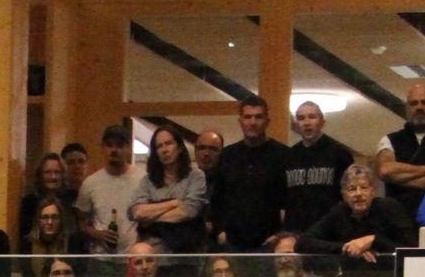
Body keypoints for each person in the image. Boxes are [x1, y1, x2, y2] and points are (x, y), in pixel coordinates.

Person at [207, 96, 292, 256]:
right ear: (240, 121)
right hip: (232, 242)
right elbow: (218, 199)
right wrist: (220, 231)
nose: (253, 122)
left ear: (267, 121)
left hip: (270, 242)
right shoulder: (227, 155)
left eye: (258, 117)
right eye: (248, 117)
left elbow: (290, 202)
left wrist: (280, 235)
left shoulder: (284, 155)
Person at [279, 99, 354, 241]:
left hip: (330, 232)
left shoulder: (339, 153)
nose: (307, 122)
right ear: (296, 124)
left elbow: (348, 196)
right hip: (296, 232)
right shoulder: (289, 156)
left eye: (312, 117)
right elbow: (283, 200)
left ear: (322, 122)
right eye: (301, 118)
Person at [132, 123, 208, 262]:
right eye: (159, 146)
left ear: (179, 147)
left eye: (168, 143)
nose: (164, 150)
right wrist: (174, 203)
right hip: (152, 258)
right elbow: (138, 213)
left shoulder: (196, 176)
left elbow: (188, 211)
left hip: (186, 255)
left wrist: (150, 219)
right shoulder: (147, 180)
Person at [376, 81, 425, 209]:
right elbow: (385, 171)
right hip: (396, 217)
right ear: (407, 108)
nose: (419, 107)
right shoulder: (390, 140)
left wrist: (399, 177)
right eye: (414, 103)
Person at [76, 123, 145, 263]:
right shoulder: (91, 183)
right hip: (101, 260)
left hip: (134, 259)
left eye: (119, 145)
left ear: (128, 148)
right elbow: (79, 221)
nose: (114, 150)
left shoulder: (143, 179)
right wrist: (97, 234)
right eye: (109, 145)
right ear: (102, 148)